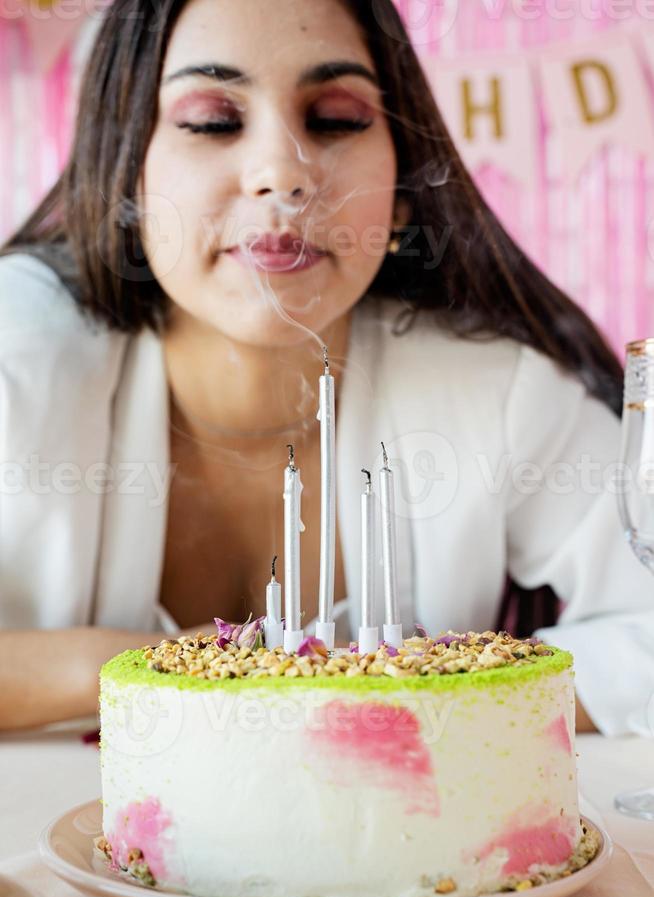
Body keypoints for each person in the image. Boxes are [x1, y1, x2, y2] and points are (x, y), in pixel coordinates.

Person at [0, 0, 652, 735]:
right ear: (126, 177)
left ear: (403, 192)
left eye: (337, 118)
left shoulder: (494, 390)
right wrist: (166, 668)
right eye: (212, 119)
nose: (283, 173)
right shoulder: (15, 358)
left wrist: (420, 704)